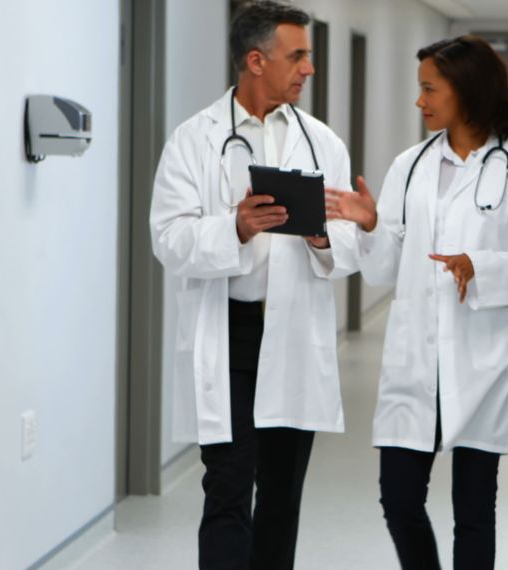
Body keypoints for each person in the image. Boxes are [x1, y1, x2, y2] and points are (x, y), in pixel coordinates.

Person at [326, 35, 508, 569]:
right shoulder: (410, 166)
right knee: (399, 500)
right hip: (415, 364)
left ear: (467, 90)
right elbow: (386, 267)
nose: (420, 101)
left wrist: (482, 266)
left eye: (429, 88)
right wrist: (371, 223)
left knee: (474, 511)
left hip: (483, 365)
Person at [149, 2, 357, 568]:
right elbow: (167, 238)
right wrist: (235, 227)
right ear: (256, 59)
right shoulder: (194, 139)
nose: (308, 69)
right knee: (228, 491)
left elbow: (350, 245)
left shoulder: (322, 143)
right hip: (230, 335)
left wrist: (324, 237)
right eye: (298, 56)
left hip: (292, 334)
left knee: (282, 498)